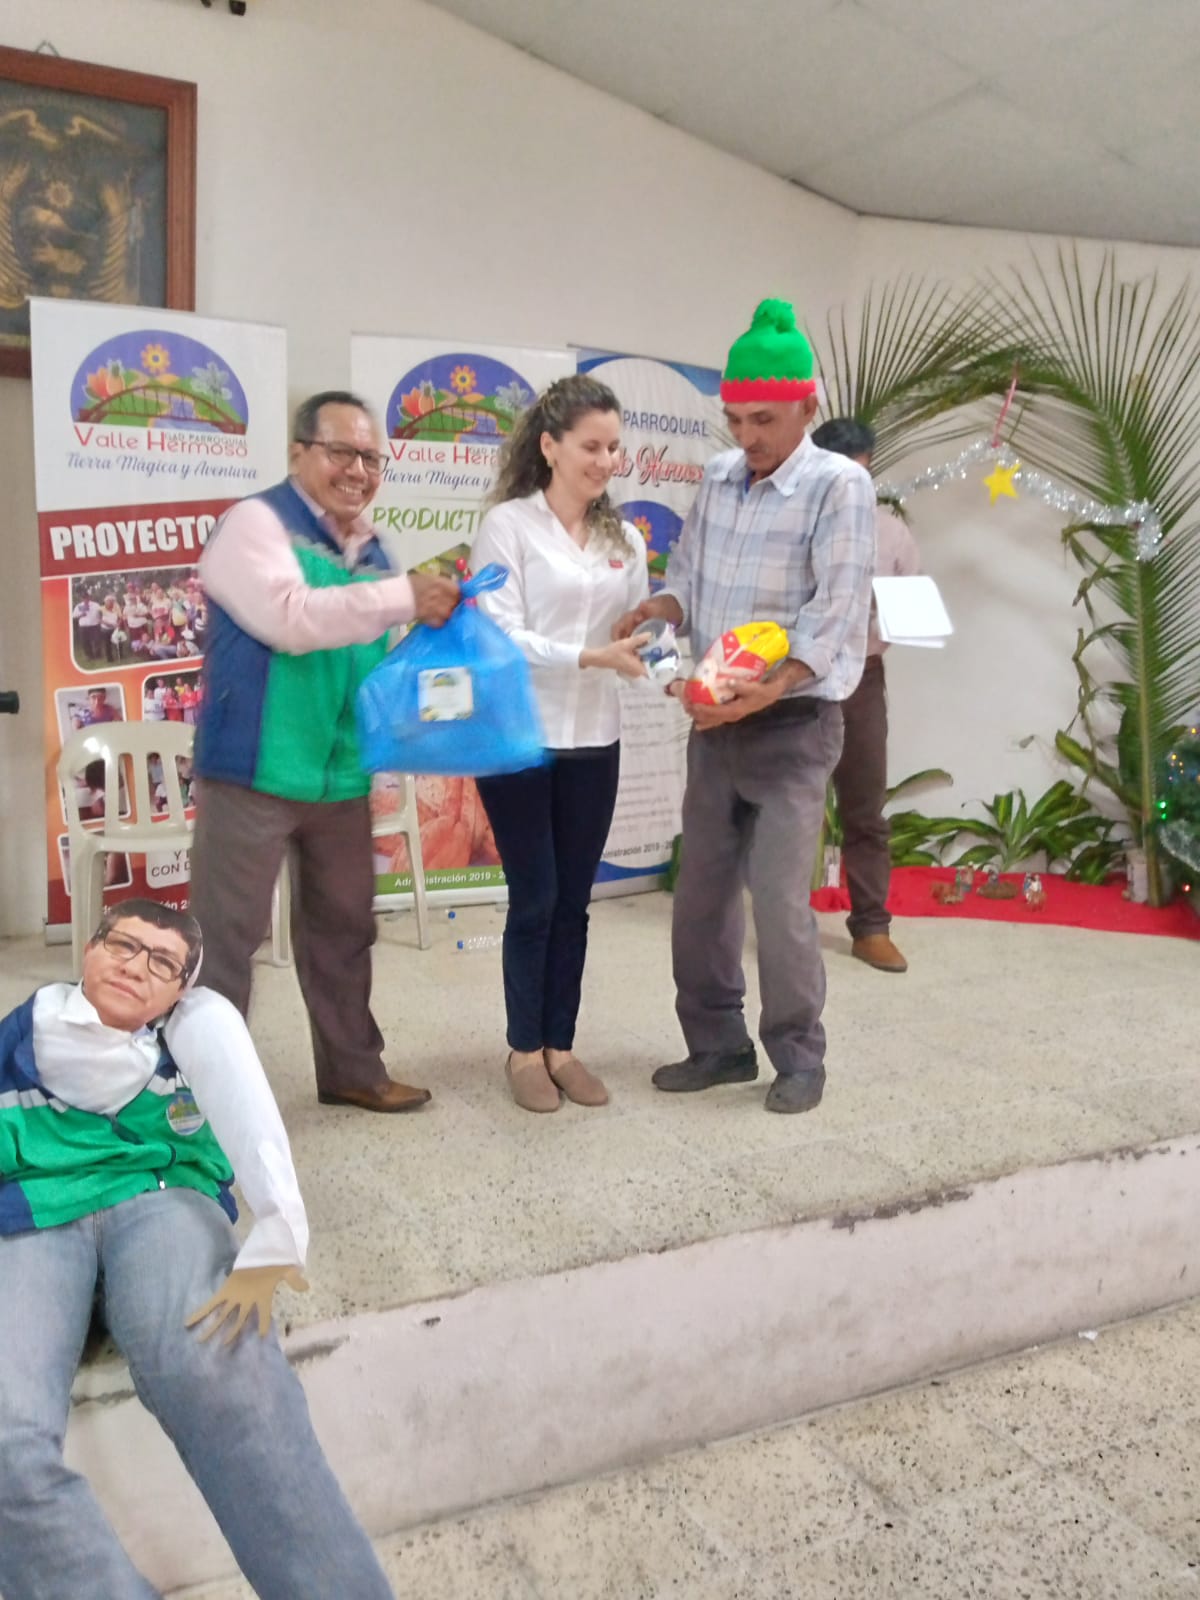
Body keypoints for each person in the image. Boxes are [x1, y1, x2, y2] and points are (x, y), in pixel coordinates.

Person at [0, 900, 393, 1600]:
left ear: (184, 986)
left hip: (163, 1195)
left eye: (162, 962)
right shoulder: (25, 1031)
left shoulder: (196, 1031)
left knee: (226, 1372)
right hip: (31, 1209)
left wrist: (275, 1240)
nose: (135, 968)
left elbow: (250, 1122)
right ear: (89, 948)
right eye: (123, 946)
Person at [615, 299, 875, 1114]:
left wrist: (772, 687)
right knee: (700, 896)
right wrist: (659, 611)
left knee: (780, 900)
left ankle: (798, 1056)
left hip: (793, 726)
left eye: (764, 419)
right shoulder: (720, 479)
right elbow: (689, 581)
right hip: (715, 723)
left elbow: (835, 610)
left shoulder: (840, 485)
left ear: (808, 406)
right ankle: (716, 1045)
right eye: (734, 419)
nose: (746, 436)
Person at [190, 390, 459, 1114]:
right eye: (341, 452)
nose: (357, 470)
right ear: (299, 453)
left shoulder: (373, 550)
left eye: (371, 458)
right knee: (225, 941)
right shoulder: (255, 523)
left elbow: (373, 651)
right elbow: (292, 619)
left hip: (340, 774)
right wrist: (405, 597)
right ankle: (199, 1097)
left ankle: (351, 1071)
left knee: (345, 929)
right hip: (255, 767)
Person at [470, 375, 651, 1112]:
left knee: (575, 901)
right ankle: (523, 1050)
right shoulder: (508, 526)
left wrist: (673, 668)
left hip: (595, 739)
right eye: (591, 446)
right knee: (535, 898)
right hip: (519, 741)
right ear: (549, 446)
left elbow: (639, 633)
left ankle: (561, 1047)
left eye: (614, 448)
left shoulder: (625, 540)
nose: (606, 461)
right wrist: (588, 656)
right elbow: (499, 635)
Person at [812, 417, 920, 974]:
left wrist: (879, 616)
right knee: (788, 805)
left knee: (865, 807)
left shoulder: (891, 531)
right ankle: (784, 924)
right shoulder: (794, 523)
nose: (857, 487)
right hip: (798, 679)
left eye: (864, 474)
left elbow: (911, 614)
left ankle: (872, 927)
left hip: (863, 676)